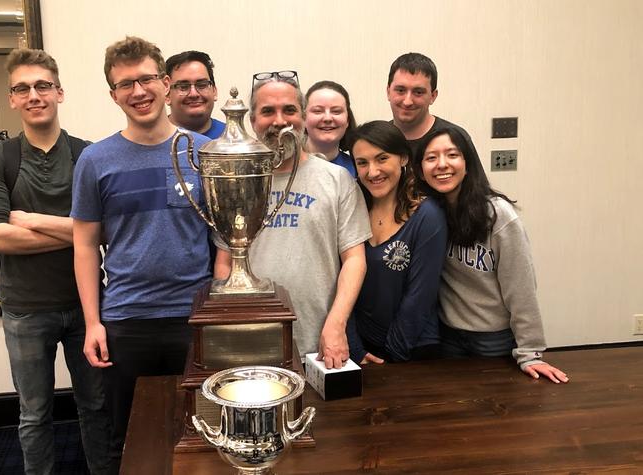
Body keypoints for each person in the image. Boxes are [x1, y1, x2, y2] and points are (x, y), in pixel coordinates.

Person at [71, 36, 214, 470]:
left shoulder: (202, 153)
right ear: (113, 94)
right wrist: (93, 323)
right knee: (127, 435)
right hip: (126, 321)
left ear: (166, 83)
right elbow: (83, 246)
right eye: (125, 84)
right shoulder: (96, 160)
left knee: (202, 431)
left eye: (147, 78)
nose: (138, 91)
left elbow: (224, 237)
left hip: (193, 318)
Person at [0, 48, 111, 474]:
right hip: (24, 310)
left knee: (97, 407)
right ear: (12, 98)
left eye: (42, 86)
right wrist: (75, 232)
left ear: (59, 93)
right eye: (22, 88)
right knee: (34, 415)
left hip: (87, 306)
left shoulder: (89, 154)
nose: (34, 95)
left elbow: (106, 233)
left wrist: (32, 220)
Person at [215, 71, 371, 369]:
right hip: (252, 338)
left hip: (320, 341)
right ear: (252, 121)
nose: (279, 121)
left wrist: (336, 325)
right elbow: (224, 261)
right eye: (267, 111)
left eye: (289, 110)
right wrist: (232, 323)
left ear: (302, 116)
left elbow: (354, 259)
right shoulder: (236, 181)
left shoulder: (337, 179)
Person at [413, 127, 569, 384]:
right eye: (431, 158)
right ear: (420, 169)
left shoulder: (497, 215)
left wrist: (530, 352)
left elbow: (521, 287)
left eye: (452, 155)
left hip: (493, 338)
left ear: (467, 163)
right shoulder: (428, 215)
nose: (442, 165)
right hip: (448, 334)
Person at [345, 121, 447, 364]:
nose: (372, 172)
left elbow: (420, 297)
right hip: (360, 349)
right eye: (362, 163)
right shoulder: (351, 208)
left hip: (411, 350)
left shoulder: (427, 215)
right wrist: (355, 347)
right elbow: (338, 282)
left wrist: (391, 358)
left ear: (402, 158)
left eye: (382, 159)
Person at [386, 52, 478, 160]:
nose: (407, 102)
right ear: (388, 92)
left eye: (418, 92)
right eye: (401, 90)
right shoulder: (377, 140)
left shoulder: (456, 139)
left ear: (433, 96)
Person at [164, 50, 224, 138]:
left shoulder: (232, 138)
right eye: (183, 87)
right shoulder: (152, 139)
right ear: (167, 95)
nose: (193, 94)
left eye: (202, 85)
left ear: (214, 91)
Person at [304, 80, 357, 177]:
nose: (327, 118)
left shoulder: (358, 169)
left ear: (347, 120)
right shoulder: (285, 165)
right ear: (303, 118)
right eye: (318, 111)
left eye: (336, 111)